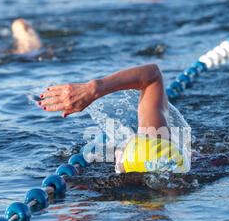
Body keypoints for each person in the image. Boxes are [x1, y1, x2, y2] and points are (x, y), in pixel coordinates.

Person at [39, 64, 191, 174]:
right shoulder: (160, 147)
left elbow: (152, 74)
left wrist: (93, 89)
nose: (118, 151)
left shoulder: (156, 144)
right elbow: (153, 75)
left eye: (121, 151)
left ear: (121, 165)